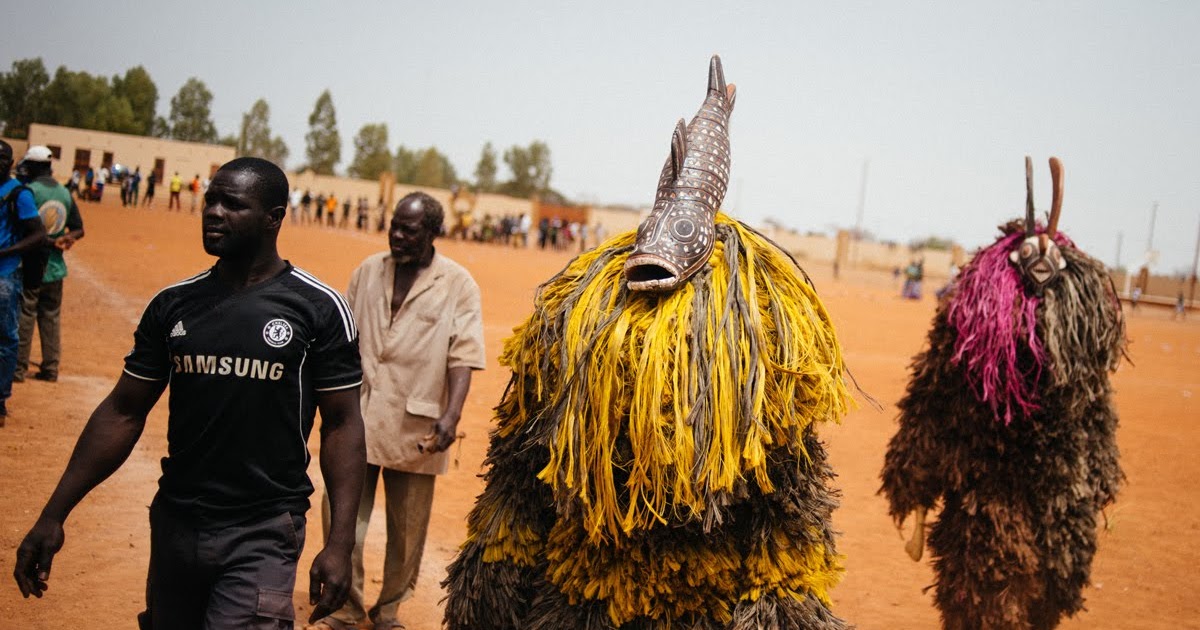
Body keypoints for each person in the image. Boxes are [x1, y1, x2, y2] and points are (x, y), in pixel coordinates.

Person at [13, 157, 367, 629]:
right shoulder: (174, 305)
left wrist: (340, 543)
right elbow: (123, 411)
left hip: (262, 530)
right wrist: (54, 514)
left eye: (232, 204)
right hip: (176, 524)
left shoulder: (319, 308)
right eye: (211, 200)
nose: (214, 212)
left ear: (274, 218)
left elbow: (342, 424)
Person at [311, 192, 485, 630]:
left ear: (433, 233)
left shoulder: (457, 283)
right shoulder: (368, 272)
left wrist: (452, 415)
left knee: (407, 532)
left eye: (408, 230)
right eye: (394, 226)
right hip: (358, 416)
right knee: (342, 515)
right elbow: (343, 338)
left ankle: (388, 610)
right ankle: (346, 607)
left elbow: (463, 353)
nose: (397, 235)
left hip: (417, 423)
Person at [13, 145, 85, 384]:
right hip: (56, 268)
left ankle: (18, 368)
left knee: (25, 316)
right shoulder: (65, 193)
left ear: (33, 166)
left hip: (31, 265)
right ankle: (51, 367)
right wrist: (67, 237)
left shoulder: (29, 192)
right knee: (50, 317)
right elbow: (79, 228)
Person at [0, 141, 48, 423]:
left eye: (2, 158)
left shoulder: (19, 194)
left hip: (5, 274)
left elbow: (38, 235)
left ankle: (1, 399)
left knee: (6, 338)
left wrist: (6, 251)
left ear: (11, 162)